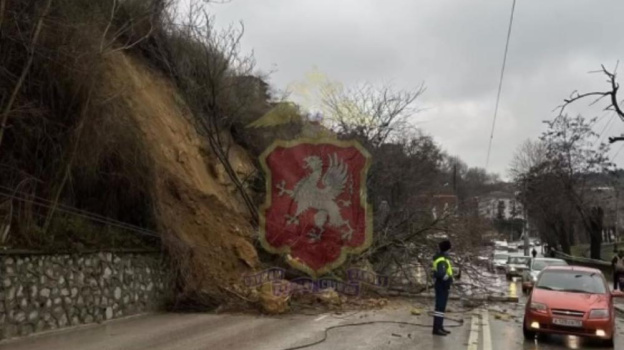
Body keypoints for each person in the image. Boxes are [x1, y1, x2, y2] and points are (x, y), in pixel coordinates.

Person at [432, 239, 453, 336]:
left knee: (442, 308)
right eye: (449, 249)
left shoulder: (444, 258)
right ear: (447, 249)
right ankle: (437, 328)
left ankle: (440, 326)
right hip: (441, 285)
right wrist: (447, 277)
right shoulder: (441, 259)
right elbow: (440, 273)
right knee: (440, 307)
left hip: (444, 286)